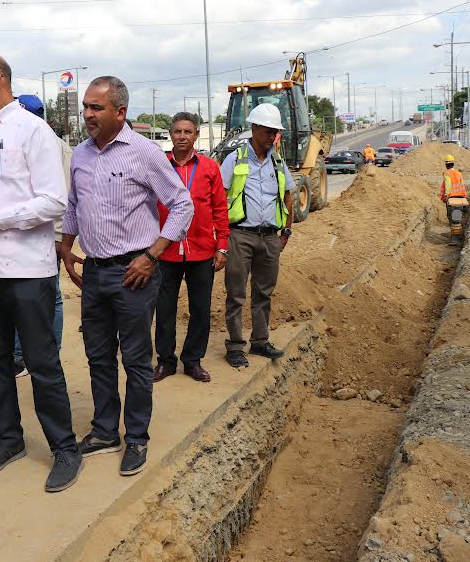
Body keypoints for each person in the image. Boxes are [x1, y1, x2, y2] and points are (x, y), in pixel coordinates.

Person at [0, 52, 81, 493]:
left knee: (43, 363)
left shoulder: (34, 131)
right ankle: (9, 439)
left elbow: (53, 202)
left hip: (27, 269)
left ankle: (65, 448)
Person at [61, 76, 193, 476]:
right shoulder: (80, 154)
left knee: (136, 360)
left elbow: (182, 205)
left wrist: (152, 256)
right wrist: (66, 248)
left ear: (120, 112)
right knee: (98, 356)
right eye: (85, 107)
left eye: (95, 108)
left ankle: (136, 436)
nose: (86, 115)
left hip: (134, 272)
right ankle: (105, 431)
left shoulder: (143, 152)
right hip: (95, 273)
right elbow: (73, 205)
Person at [153, 112, 228, 384]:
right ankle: (165, 361)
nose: (182, 136)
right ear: (170, 135)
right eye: (177, 131)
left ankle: (193, 361)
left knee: (200, 309)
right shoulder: (159, 166)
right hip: (166, 251)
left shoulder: (209, 168)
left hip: (201, 251)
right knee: (164, 309)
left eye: (188, 132)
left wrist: (222, 247)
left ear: (196, 135)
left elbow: (220, 209)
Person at [219, 103, 295, 369]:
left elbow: (288, 196)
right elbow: (219, 198)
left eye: (275, 132)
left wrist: (286, 230)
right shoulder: (235, 159)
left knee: (264, 292)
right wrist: (221, 238)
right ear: (254, 129)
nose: (272, 137)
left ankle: (260, 342)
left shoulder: (277, 161)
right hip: (240, 236)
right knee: (236, 293)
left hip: (270, 237)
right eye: (267, 131)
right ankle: (236, 346)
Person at [11, 93, 68, 379]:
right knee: (29, 299)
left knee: (51, 297)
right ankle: (31, 354)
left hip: (48, 233)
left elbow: (60, 196)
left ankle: (40, 355)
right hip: (30, 235)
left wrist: (59, 237)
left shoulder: (48, 143)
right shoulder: (28, 140)